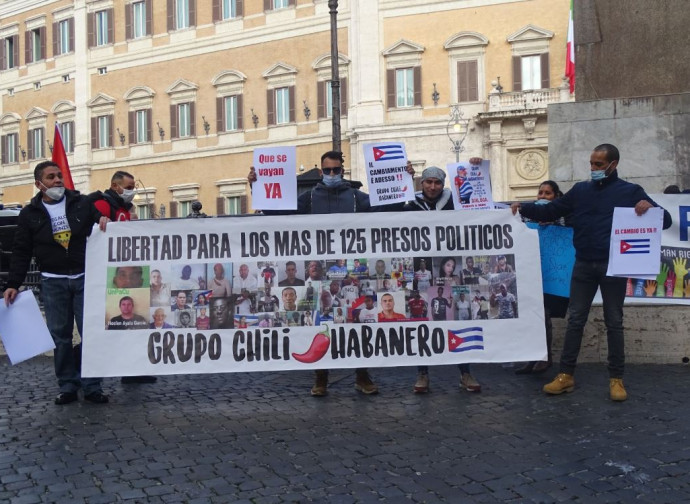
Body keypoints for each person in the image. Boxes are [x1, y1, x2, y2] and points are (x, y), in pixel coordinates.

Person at [511, 143, 672, 401]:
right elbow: (553, 209)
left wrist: (649, 207)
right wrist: (523, 207)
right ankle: (565, 375)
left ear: (613, 165)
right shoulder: (580, 190)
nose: (593, 168)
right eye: (591, 164)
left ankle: (616, 379)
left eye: (598, 164)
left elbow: (665, 221)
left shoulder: (630, 191)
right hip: (583, 263)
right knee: (575, 320)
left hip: (613, 267)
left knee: (614, 322)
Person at [248, 150, 413, 397]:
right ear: (322, 171)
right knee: (320, 324)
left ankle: (361, 374)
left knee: (356, 324)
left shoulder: (357, 197)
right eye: (328, 170)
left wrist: (405, 183)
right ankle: (321, 376)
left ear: (342, 171)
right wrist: (257, 187)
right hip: (319, 272)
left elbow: (388, 208)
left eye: (336, 170)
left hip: (352, 272)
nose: (332, 174)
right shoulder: (310, 198)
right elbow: (278, 212)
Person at [4, 161, 110, 404]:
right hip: (52, 282)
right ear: (39, 184)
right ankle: (68, 385)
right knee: (60, 337)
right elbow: (21, 251)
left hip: (85, 279)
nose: (57, 180)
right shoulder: (29, 214)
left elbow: (100, 222)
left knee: (90, 334)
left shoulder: (82, 203)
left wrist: (103, 219)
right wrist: (12, 283)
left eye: (59, 176)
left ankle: (92, 385)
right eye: (51, 177)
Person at [404, 164, 482, 394]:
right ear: (422, 183)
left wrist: (475, 167)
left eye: (437, 182)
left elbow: (482, 207)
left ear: (443, 184)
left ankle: (465, 372)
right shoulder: (411, 204)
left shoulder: (454, 201)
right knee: (422, 322)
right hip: (422, 271)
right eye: (428, 182)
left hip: (448, 268)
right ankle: (423, 373)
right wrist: (403, 183)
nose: (432, 186)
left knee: (456, 320)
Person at [94, 170, 157, 384]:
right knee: (121, 328)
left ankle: (134, 369)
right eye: (129, 187)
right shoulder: (103, 205)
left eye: (133, 188)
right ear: (115, 186)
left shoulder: (127, 208)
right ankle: (121, 368)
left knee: (135, 328)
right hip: (115, 273)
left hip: (130, 270)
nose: (132, 192)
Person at [515, 180, 566, 375]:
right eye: (540, 193)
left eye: (547, 193)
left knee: (543, 316)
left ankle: (544, 358)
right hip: (529, 271)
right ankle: (534, 357)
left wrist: (551, 223)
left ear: (556, 197)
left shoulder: (563, 216)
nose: (542, 197)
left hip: (551, 274)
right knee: (531, 317)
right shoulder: (528, 215)